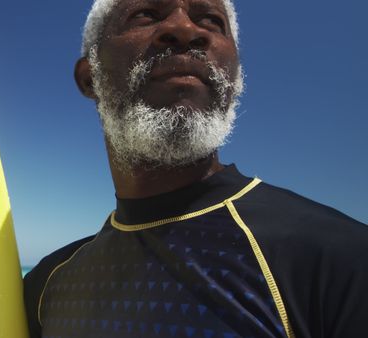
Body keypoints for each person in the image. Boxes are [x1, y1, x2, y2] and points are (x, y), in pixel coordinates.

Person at [22, 0, 368, 337]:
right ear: (90, 78)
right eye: (145, 14)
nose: (184, 29)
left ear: (236, 78)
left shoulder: (341, 260)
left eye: (211, 21)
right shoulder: (48, 282)